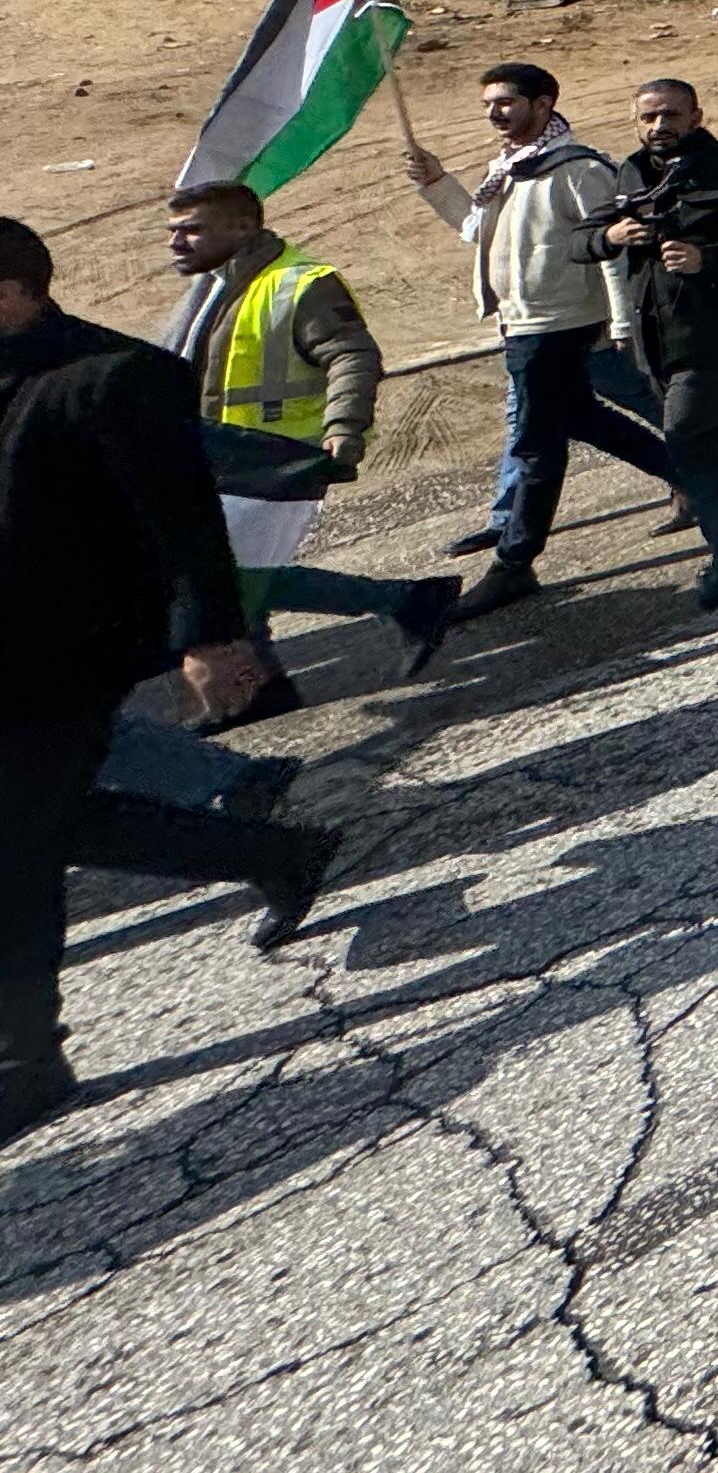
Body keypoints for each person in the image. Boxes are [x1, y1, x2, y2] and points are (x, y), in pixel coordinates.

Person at [1, 218, 342, 1139]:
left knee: (13, 847)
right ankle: (274, 855)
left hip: (66, 651)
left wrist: (211, 639)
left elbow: (185, 522)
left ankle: (27, 1062)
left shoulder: (115, 377)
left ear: (16, 291)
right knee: (54, 820)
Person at [156, 182, 454, 712]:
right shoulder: (214, 285)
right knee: (234, 575)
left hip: (279, 462)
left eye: (192, 230)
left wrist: (344, 427)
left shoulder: (300, 283)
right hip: (230, 459)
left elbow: (352, 355)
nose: (176, 243)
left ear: (242, 228)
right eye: (173, 231)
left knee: (233, 577)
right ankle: (271, 682)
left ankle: (399, 604)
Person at [408, 61, 677, 621]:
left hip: (559, 324)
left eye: (505, 102)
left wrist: (621, 325)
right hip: (521, 321)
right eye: (488, 105)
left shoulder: (578, 169)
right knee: (580, 419)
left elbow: (612, 251)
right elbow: (477, 231)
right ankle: (694, 474)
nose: (495, 113)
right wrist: (437, 183)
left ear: (543, 104)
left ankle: (514, 563)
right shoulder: (509, 168)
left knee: (536, 444)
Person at [582, 80, 718, 609]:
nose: (660, 126)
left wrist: (711, 257)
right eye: (649, 117)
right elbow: (580, 239)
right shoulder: (630, 173)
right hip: (655, 335)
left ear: (696, 116)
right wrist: (610, 238)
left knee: (684, 434)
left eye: (671, 115)